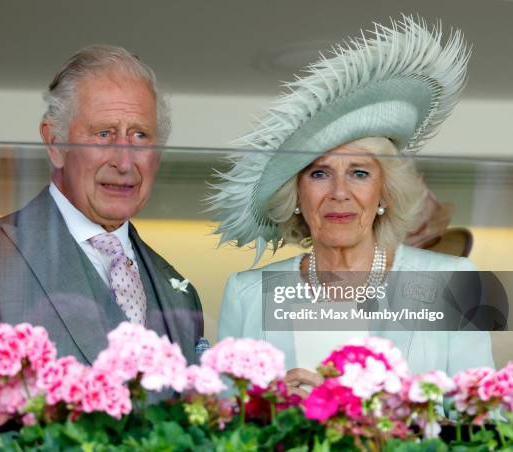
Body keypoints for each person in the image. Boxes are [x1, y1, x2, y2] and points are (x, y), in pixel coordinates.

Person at [210, 17, 494, 395]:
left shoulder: (455, 282)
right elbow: (224, 423)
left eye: (359, 173)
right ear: (296, 195)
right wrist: (275, 409)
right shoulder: (247, 294)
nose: (339, 193)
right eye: (318, 174)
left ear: (384, 192)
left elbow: (480, 422)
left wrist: (365, 410)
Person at [0, 45, 204, 371]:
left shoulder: (178, 289)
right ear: (55, 144)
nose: (124, 161)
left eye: (140, 135)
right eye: (104, 133)